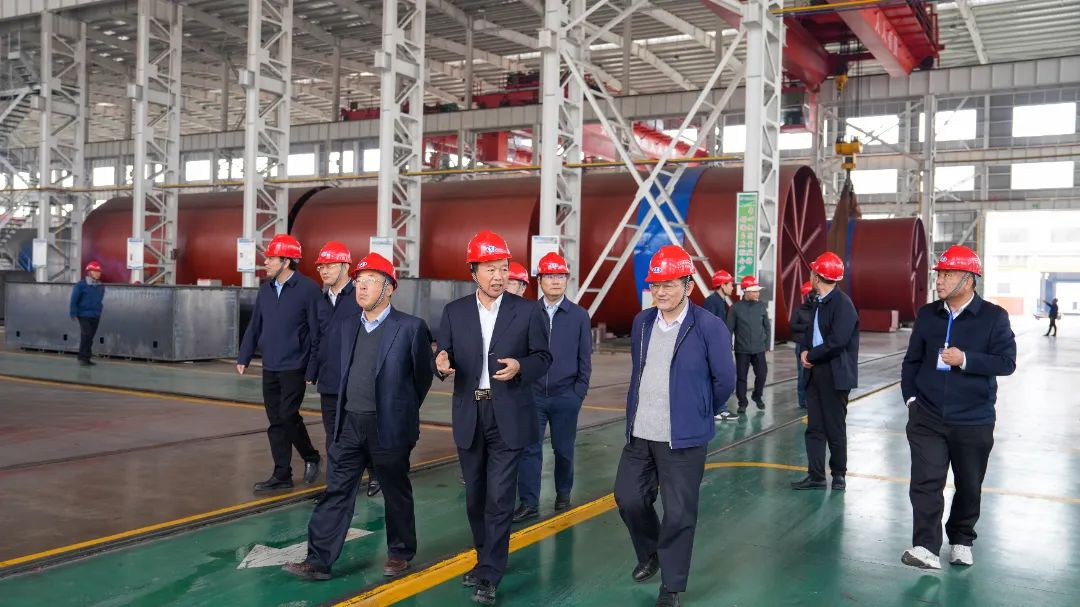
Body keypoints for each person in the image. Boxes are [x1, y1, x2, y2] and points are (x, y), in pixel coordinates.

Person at [283, 252, 434, 581]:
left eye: (371, 281)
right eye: (359, 281)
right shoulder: (348, 326)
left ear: (389, 288)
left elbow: (421, 378)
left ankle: (400, 552)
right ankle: (318, 560)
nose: (361, 287)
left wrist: (398, 410)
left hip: (388, 427)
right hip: (350, 423)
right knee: (337, 491)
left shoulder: (410, 328)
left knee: (395, 491)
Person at [434, 230, 552, 605]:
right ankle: (485, 557)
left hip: (509, 415)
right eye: (490, 269)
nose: (499, 276)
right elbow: (443, 355)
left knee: (500, 499)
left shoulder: (528, 311)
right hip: (471, 412)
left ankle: (489, 573)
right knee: (475, 497)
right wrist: (439, 364)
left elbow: (543, 358)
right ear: (473, 272)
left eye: (503, 268)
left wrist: (521, 366)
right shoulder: (454, 312)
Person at [614, 245, 736, 607]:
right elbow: (641, 371)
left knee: (679, 513)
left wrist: (697, 411)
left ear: (688, 285)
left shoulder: (709, 326)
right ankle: (651, 552)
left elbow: (725, 380)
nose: (661, 291)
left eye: (669, 284)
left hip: (683, 439)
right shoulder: (642, 322)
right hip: (641, 433)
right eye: (655, 285)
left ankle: (671, 584)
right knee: (628, 498)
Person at [900, 245, 1016, 570]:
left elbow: (1006, 362)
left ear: (968, 279)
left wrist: (965, 359)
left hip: (973, 418)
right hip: (927, 415)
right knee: (925, 481)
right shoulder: (927, 315)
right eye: (939, 274)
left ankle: (962, 538)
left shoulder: (993, 317)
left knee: (969, 484)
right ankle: (925, 546)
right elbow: (911, 361)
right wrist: (911, 399)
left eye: (947, 275)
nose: (939, 280)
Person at [237, 234, 323, 492]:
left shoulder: (308, 290)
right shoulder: (265, 289)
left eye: (271, 258)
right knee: (275, 421)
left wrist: (312, 368)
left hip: (295, 366)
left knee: (287, 415)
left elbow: (317, 332)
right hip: (270, 365)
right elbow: (255, 325)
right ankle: (282, 474)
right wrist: (244, 356)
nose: (266, 262)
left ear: (286, 261)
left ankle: (311, 456)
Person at [512, 252, 592, 524]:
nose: (556, 281)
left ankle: (563, 494)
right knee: (529, 449)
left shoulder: (579, 316)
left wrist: (578, 393)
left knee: (563, 449)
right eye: (550, 276)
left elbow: (585, 358)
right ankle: (529, 503)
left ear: (566, 280)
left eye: (560, 276)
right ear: (540, 281)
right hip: (532, 395)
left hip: (566, 395)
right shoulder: (527, 313)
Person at [313, 241, 380, 497]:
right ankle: (336, 486)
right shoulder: (321, 301)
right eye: (321, 266)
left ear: (344, 266)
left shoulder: (360, 296)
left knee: (364, 432)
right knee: (333, 435)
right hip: (329, 380)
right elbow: (317, 338)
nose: (324, 270)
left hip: (356, 380)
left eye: (329, 265)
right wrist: (312, 370)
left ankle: (376, 473)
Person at [790, 252, 859, 491]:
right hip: (815, 373)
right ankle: (816, 476)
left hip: (834, 374)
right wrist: (804, 350)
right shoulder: (817, 301)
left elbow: (837, 341)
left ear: (817, 277)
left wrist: (810, 355)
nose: (810, 275)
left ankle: (839, 475)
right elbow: (809, 332)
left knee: (835, 427)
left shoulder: (843, 305)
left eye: (812, 272)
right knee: (815, 428)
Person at [726, 276, 770, 413]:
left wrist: (767, 345)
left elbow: (767, 326)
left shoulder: (761, 306)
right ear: (746, 291)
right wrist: (727, 347)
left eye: (758, 291)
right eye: (754, 291)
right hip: (742, 350)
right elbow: (729, 329)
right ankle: (742, 403)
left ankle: (757, 396)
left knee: (762, 374)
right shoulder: (735, 308)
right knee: (741, 378)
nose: (758, 293)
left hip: (759, 349)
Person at [70, 261, 105, 366]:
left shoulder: (100, 286)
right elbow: (74, 299)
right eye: (96, 271)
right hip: (84, 315)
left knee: (90, 337)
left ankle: (84, 357)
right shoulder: (81, 285)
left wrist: (99, 310)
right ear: (90, 272)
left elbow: (100, 299)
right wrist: (73, 313)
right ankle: (84, 357)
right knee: (86, 335)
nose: (99, 273)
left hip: (95, 315)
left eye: (99, 271)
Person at [789, 281, 815, 409]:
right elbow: (793, 325)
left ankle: (814, 399)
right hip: (802, 345)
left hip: (815, 345)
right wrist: (807, 327)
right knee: (803, 374)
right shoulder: (798, 310)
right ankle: (803, 401)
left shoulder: (818, 310)